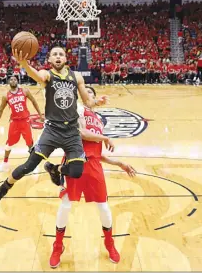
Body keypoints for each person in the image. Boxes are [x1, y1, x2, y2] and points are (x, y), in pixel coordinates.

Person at [0, 47, 108, 207]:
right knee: (28, 167)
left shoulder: (76, 77)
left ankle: (55, 169)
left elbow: (87, 101)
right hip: (52, 130)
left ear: (66, 59)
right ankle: (3, 188)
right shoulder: (47, 75)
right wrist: (24, 63)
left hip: (72, 132)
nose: (58, 57)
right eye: (54, 55)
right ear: (50, 60)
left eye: (61, 54)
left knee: (77, 171)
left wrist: (96, 102)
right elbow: (35, 74)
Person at [49, 86, 136, 268]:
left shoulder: (98, 121)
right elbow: (81, 134)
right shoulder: (75, 111)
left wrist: (119, 163)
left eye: (89, 92)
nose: (85, 94)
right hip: (74, 162)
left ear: (94, 97)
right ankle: (58, 246)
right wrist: (104, 138)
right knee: (65, 207)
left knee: (104, 208)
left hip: (94, 167)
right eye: (83, 92)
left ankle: (109, 244)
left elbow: (96, 153)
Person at [0, 75, 44, 172]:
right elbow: (0, 110)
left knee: (30, 143)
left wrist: (40, 115)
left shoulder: (25, 91)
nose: (13, 80)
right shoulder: (6, 96)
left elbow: (33, 101)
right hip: (14, 122)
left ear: (17, 81)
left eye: (15, 79)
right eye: (11, 79)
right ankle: (5, 163)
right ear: (9, 82)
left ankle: (32, 164)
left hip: (25, 121)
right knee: (9, 144)